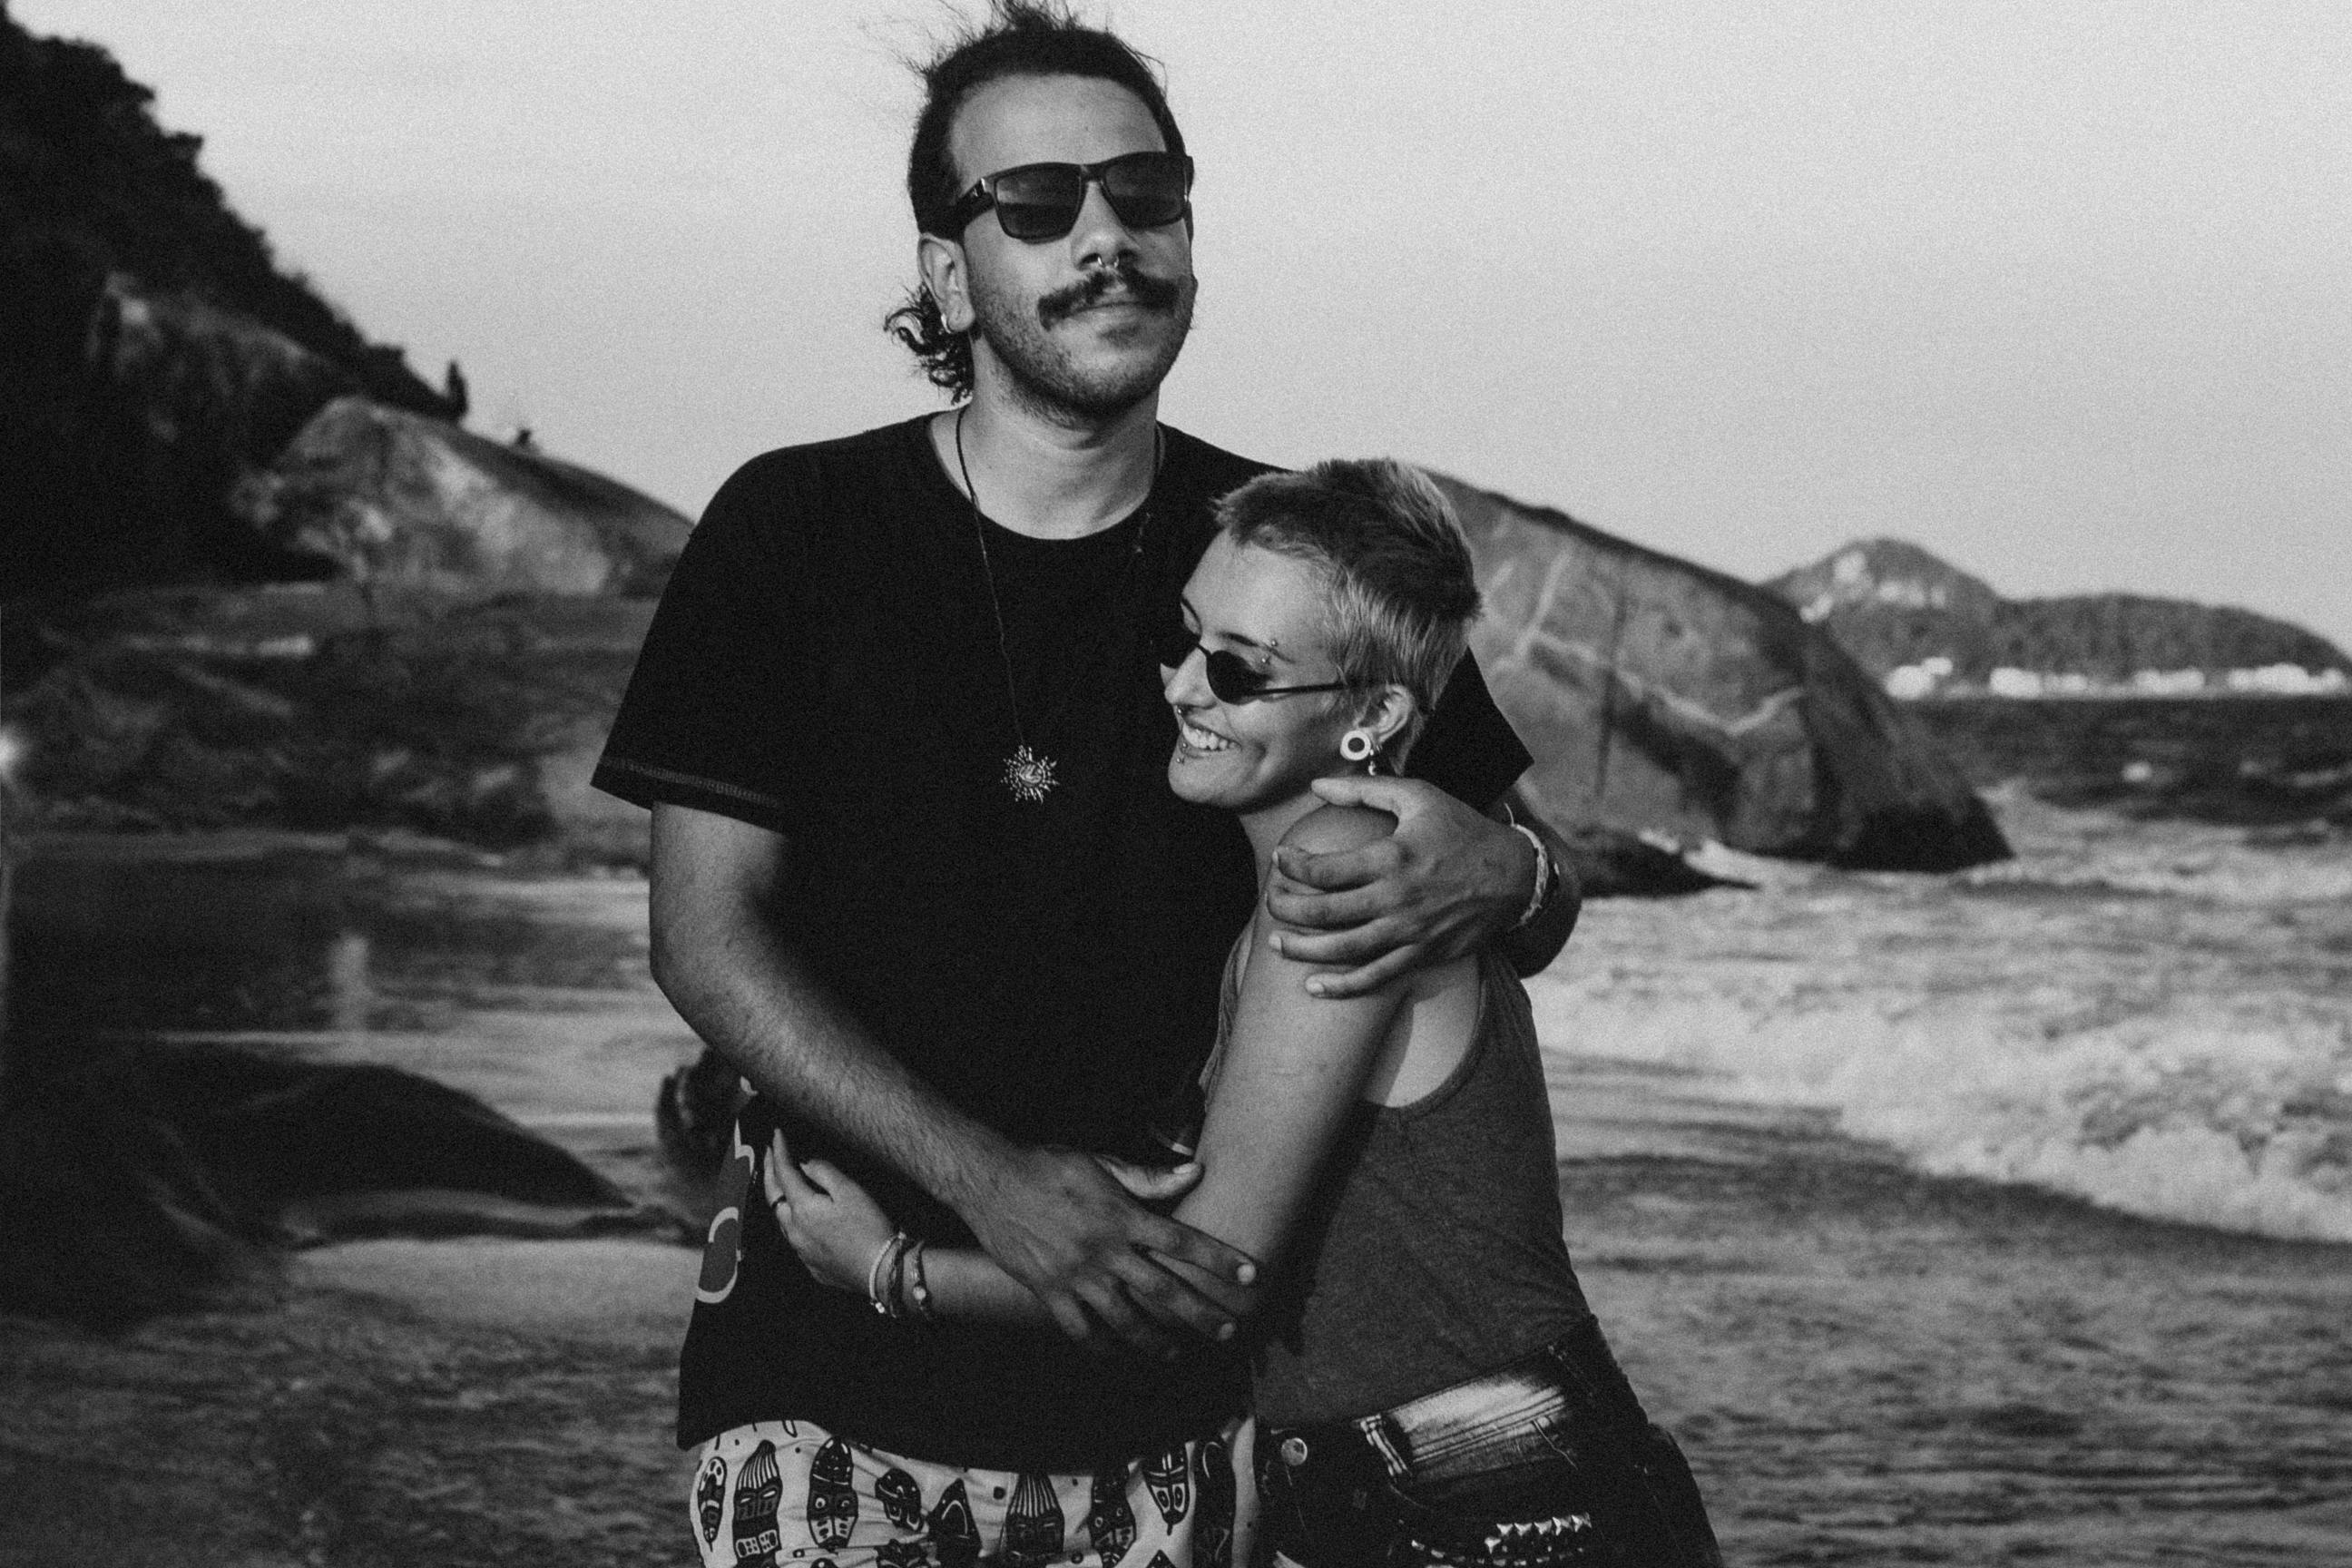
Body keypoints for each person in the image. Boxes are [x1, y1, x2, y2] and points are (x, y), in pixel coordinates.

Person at [593, 6, 1578, 1563]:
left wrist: (1511, 870)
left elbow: (1508, 880)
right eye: (1039, 205)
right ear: (944, 273)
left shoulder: (1277, 563)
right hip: (830, 1392)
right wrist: (989, 1185)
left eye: (1145, 192)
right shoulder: (796, 528)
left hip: (1190, 1423)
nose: (1107, 237)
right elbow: (704, 938)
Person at [767, 460, 1721, 1568]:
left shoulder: (1337, 868)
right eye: (1183, 641)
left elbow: (1209, 1281)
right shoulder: (1327, 881)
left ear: (1375, 714)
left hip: (1499, 1507)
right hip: (1426, 1492)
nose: (1182, 688)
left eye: (1236, 669)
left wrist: (889, 1270)